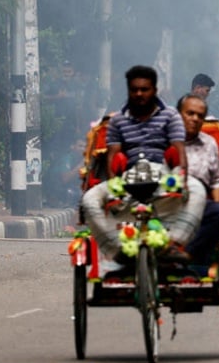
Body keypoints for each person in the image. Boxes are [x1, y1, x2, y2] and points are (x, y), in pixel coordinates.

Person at [80, 65, 205, 269]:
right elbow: (113, 156)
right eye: (134, 89)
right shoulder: (117, 121)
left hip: (162, 175)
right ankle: (116, 252)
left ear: (153, 90)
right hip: (128, 177)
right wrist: (114, 186)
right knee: (89, 200)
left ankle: (173, 244)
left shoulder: (171, 116)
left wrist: (178, 178)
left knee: (198, 190)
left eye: (144, 89)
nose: (139, 94)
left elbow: (179, 153)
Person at [176, 93, 219, 264]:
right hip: (166, 202)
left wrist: (218, 206)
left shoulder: (209, 143)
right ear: (178, 115)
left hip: (199, 203)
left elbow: (217, 180)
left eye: (199, 116)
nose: (194, 119)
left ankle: (188, 255)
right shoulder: (161, 139)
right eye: (190, 113)